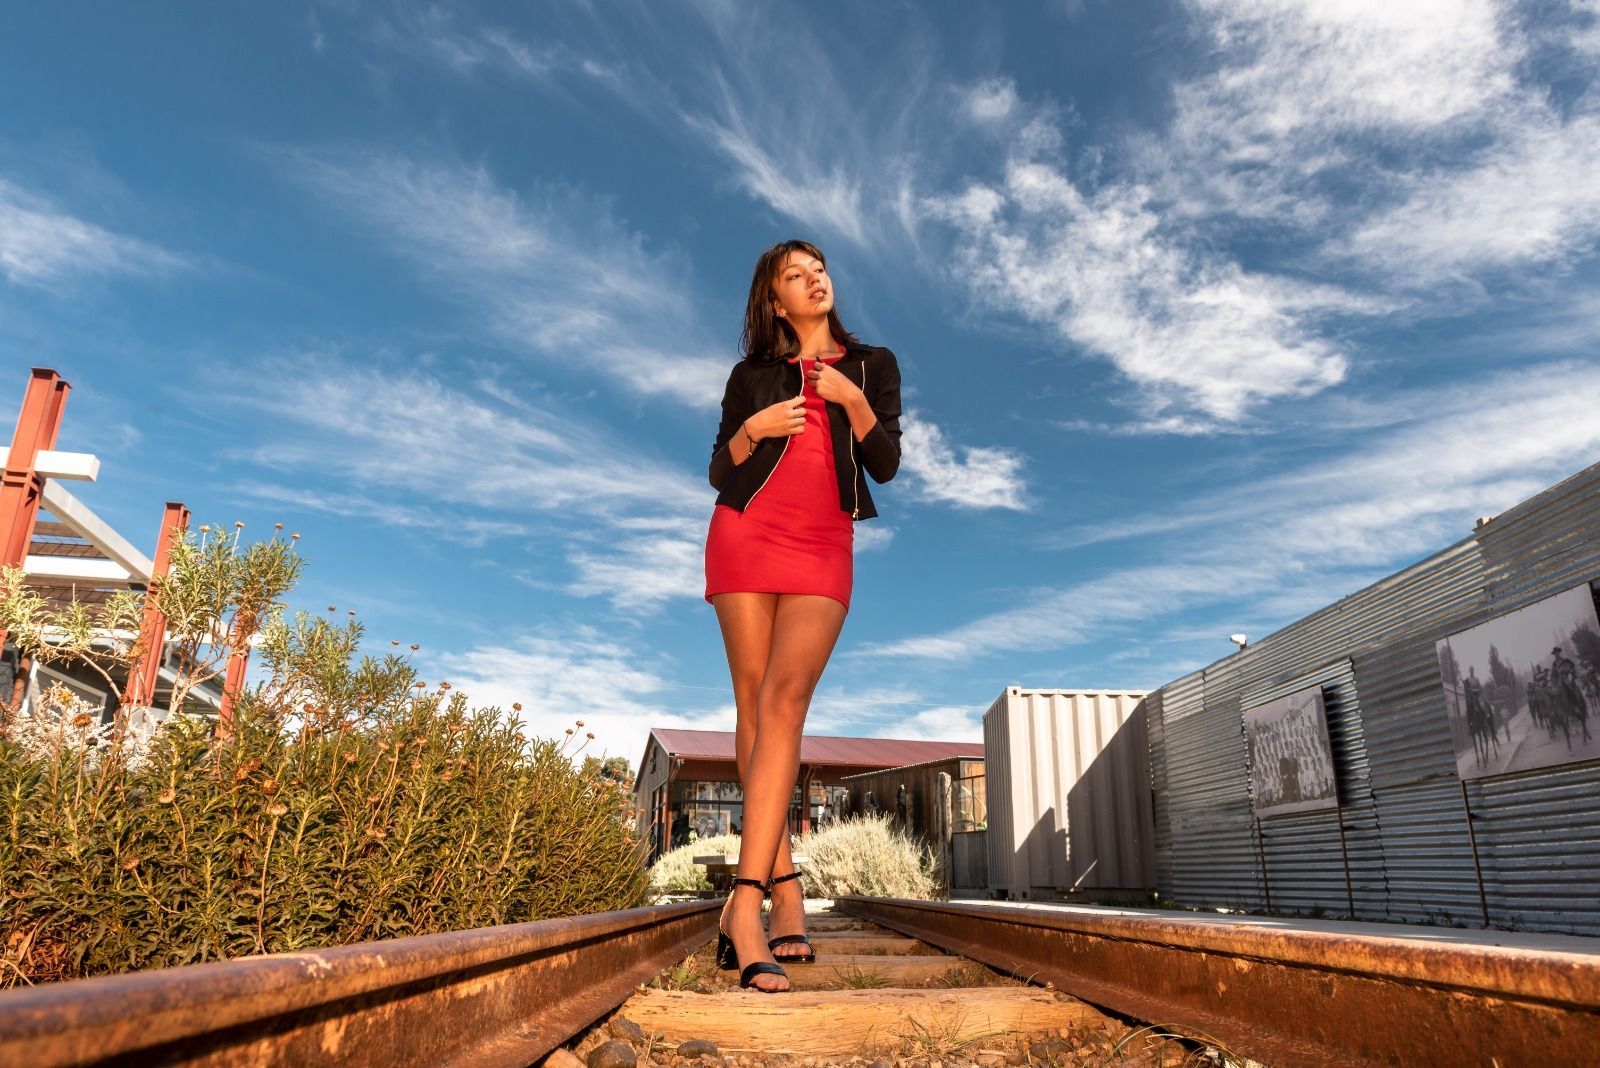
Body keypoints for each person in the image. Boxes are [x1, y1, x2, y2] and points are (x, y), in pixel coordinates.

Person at [703, 239, 902, 992]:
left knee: (787, 700)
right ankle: (778, 898)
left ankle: (744, 900)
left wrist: (850, 401)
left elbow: (884, 463)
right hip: (744, 535)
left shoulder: (872, 363)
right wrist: (755, 430)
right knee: (754, 705)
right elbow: (721, 468)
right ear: (774, 299)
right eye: (796, 273)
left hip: (822, 543)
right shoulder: (750, 375)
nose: (815, 277)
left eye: (819, 267)